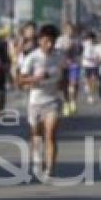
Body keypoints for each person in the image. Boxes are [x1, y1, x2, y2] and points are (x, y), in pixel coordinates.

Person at [19, 25, 65, 179]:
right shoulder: (32, 57)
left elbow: (63, 75)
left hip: (53, 100)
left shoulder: (60, 56)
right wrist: (35, 79)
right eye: (46, 41)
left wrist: (64, 90)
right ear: (39, 41)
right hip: (36, 101)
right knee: (36, 134)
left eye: (52, 41)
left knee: (50, 133)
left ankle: (50, 168)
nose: (49, 45)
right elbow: (20, 80)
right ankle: (37, 160)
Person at [81, 31, 100, 104]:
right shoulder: (85, 44)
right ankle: (90, 96)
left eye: (92, 38)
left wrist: (98, 59)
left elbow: (99, 54)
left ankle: (91, 94)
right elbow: (85, 56)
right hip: (87, 65)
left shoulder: (97, 45)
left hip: (95, 66)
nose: (91, 40)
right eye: (89, 38)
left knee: (95, 81)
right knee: (88, 82)